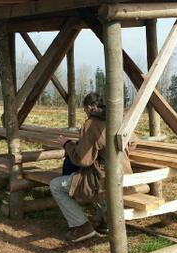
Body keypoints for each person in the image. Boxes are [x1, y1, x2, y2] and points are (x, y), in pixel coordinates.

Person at [50, 92, 132, 243]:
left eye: (85, 110)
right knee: (95, 178)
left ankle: (82, 227)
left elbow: (82, 160)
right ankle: (105, 221)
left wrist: (67, 144)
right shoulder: (118, 120)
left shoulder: (92, 124)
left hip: (106, 179)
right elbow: (133, 143)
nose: (85, 113)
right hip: (126, 175)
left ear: (89, 108)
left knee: (55, 185)